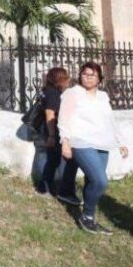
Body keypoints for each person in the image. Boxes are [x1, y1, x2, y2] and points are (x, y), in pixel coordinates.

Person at [58, 61, 129, 235]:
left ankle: (88, 216)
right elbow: (64, 118)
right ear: (80, 75)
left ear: (99, 79)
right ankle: (87, 216)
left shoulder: (103, 97)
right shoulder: (73, 93)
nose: (88, 77)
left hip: (103, 143)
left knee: (92, 181)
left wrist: (121, 142)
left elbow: (110, 121)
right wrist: (65, 141)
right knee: (101, 181)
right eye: (85, 74)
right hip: (81, 142)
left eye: (92, 75)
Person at [36, 67, 78, 199]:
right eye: (66, 77)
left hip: (52, 131)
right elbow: (50, 113)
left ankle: (47, 186)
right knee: (61, 160)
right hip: (54, 132)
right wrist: (52, 136)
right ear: (60, 79)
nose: (68, 79)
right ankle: (53, 189)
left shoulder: (48, 91)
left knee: (53, 160)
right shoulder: (53, 93)